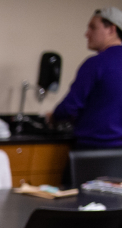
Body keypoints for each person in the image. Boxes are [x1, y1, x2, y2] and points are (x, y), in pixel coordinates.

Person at [52, 8, 122, 147]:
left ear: (111, 30)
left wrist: (53, 116)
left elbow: (68, 107)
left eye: (93, 28)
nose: (86, 34)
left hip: (92, 150)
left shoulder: (96, 63)